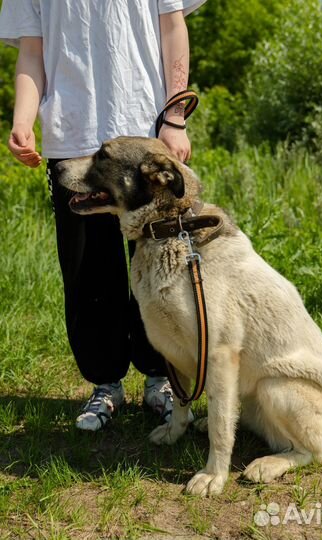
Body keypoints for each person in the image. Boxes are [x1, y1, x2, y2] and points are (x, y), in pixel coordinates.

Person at [0, 0, 206, 431]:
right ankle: (105, 384)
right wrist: (23, 119)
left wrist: (175, 115)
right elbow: (32, 52)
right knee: (87, 273)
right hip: (73, 141)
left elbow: (172, 28)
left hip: (144, 141)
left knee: (162, 270)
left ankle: (163, 379)